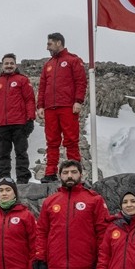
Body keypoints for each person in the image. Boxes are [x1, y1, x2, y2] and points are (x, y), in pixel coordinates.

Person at [36, 33, 87, 182]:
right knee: (52, 141)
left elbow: (81, 81)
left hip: (67, 107)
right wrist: (40, 106)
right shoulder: (48, 65)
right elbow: (43, 86)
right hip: (50, 108)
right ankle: (50, 172)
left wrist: (78, 101)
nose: (47, 47)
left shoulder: (73, 60)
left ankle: (75, 172)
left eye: (49, 44)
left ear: (59, 43)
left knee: (71, 140)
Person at [0, 53, 36, 185]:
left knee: (21, 152)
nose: (9, 66)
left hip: (19, 123)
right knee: (3, 154)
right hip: (1, 124)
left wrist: (30, 119)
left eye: (11, 63)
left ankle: (22, 178)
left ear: (15, 65)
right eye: (6, 63)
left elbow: (29, 100)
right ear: (2, 65)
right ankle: (4, 178)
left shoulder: (22, 80)